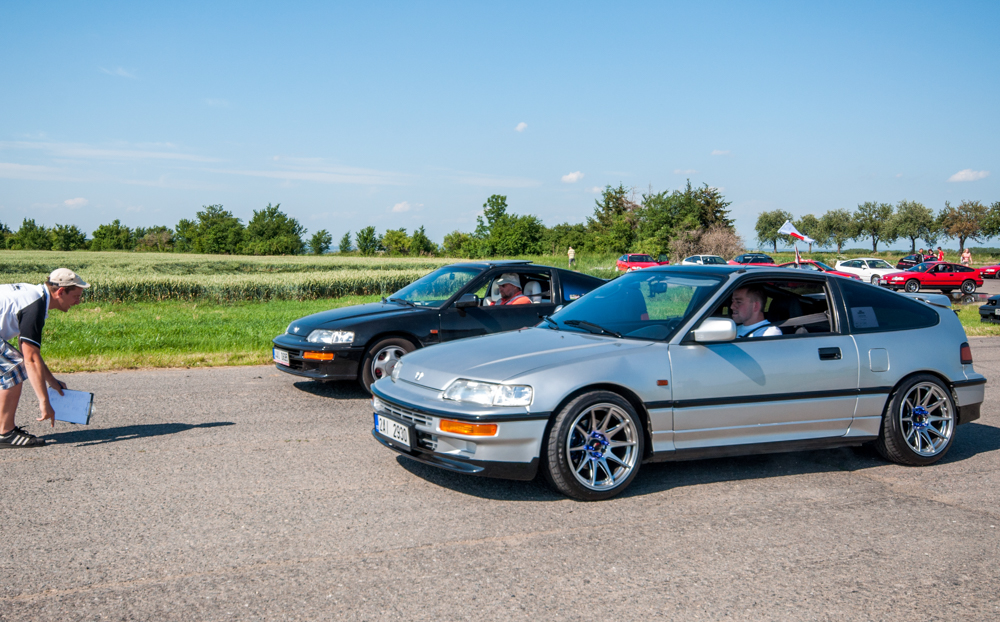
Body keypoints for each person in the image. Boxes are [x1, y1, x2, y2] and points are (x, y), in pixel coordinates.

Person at [1, 269, 89, 448]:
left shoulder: (34, 296)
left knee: (14, 363)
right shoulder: (35, 306)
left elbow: (30, 352)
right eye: (76, 296)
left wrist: (51, 380)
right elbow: (30, 360)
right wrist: (44, 401)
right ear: (60, 291)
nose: (78, 302)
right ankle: (5, 432)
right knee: (14, 368)